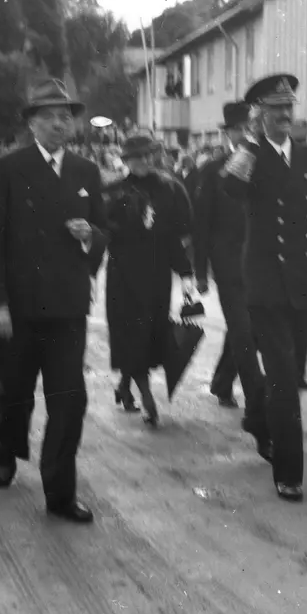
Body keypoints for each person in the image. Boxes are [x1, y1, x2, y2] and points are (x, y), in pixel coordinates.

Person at [0, 78, 108, 523]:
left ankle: (59, 494)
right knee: (14, 394)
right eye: (48, 116)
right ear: (31, 123)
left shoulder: (87, 172)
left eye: (65, 116)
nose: (58, 123)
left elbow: (103, 232)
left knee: (70, 400)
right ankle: (9, 449)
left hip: (67, 309)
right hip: (18, 309)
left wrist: (91, 237)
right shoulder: (6, 168)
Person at [221, 74, 307, 502]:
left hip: (304, 284)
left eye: (289, 108)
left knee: (293, 371)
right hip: (266, 286)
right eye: (275, 109)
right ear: (259, 114)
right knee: (284, 380)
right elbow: (230, 188)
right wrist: (249, 141)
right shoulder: (250, 156)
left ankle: (257, 419)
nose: (285, 115)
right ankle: (289, 472)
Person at [104, 135, 196, 426]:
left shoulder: (170, 188)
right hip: (124, 276)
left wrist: (186, 273)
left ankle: (125, 385)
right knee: (131, 332)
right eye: (135, 157)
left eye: (146, 156)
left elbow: (178, 236)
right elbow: (102, 233)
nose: (142, 162)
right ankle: (146, 397)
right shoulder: (113, 191)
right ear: (125, 160)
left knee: (149, 334)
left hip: (157, 275)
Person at [194, 102, 266, 419]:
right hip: (226, 262)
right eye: (236, 129)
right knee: (242, 327)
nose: (241, 135)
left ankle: (223, 382)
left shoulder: (265, 166)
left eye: (246, 129)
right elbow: (201, 223)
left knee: (249, 330)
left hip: (258, 263)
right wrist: (199, 271)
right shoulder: (212, 169)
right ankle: (256, 397)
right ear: (227, 133)